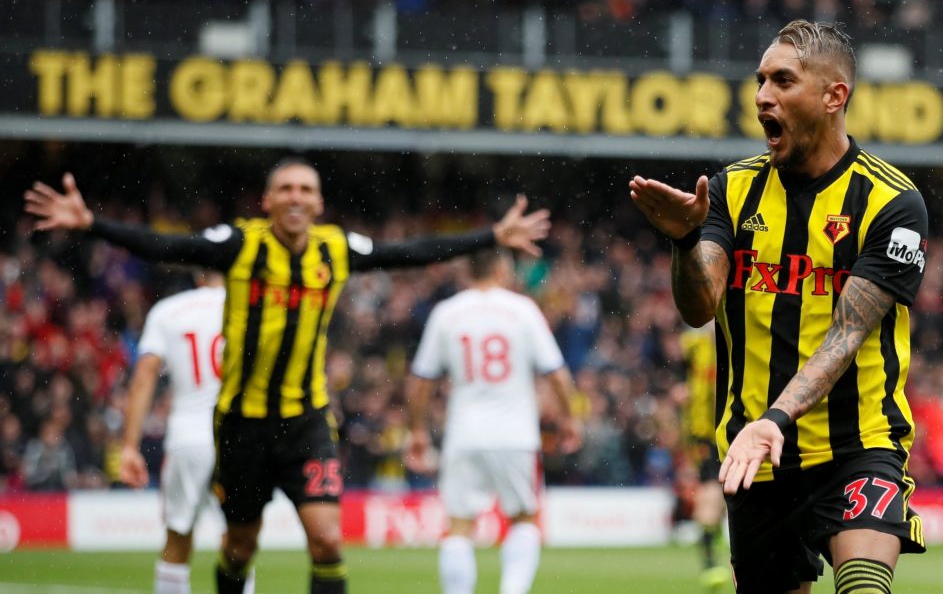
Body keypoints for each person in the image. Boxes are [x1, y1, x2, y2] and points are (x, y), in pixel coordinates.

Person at [24, 157, 552, 594]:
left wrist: (490, 236)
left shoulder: (335, 249)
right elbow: (169, 247)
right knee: (240, 547)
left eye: (305, 190)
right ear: (268, 201)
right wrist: (92, 224)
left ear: (318, 204)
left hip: (306, 421)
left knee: (327, 540)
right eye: (285, 189)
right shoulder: (240, 246)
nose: (296, 197)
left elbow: (409, 253)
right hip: (242, 423)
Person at [630, 20, 927, 594]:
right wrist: (685, 241)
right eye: (760, 81)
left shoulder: (891, 202)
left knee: (865, 587)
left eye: (783, 81)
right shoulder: (731, 190)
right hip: (755, 456)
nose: (763, 96)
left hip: (857, 445)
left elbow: (846, 336)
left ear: (834, 95)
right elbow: (699, 306)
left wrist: (776, 419)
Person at [404, 247, 580, 594]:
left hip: (463, 433)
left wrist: (418, 430)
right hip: (516, 435)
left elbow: (421, 380)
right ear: (502, 269)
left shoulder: (447, 313)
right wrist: (569, 418)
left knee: (459, 526)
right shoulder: (522, 310)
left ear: (466, 271)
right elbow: (556, 374)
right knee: (524, 518)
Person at [119, 271, 255, 594]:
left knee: (177, 540)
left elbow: (144, 377)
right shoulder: (251, 305)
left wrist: (129, 446)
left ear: (197, 270)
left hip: (188, 437)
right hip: (237, 437)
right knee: (238, 543)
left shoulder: (168, 311)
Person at [678, 322, 729, 591]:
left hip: (727, 432)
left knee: (716, 494)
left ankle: (712, 558)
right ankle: (711, 561)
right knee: (712, 493)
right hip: (712, 434)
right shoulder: (698, 347)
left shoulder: (701, 347)